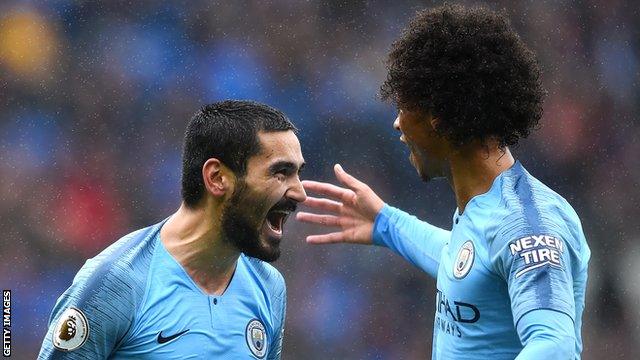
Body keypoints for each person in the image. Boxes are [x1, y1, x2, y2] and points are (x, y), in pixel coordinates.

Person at [296, 5, 590, 359]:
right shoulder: (487, 213)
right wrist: (387, 224)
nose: (397, 125)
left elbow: (554, 346)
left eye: (403, 107)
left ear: (437, 117)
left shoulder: (527, 225)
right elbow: (466, 266)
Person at [38, 100, 307, 359]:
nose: (300, 192)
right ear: (217, 178)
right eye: (281, 172)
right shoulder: (118, 283)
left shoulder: (269, 288)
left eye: (298, 173)